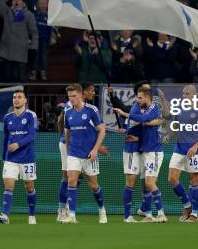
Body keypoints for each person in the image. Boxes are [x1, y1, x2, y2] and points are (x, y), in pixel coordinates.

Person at [116, 88, 166, 222]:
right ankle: (130, 216)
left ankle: (154, 213)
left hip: (148, 150)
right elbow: (133, 130)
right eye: (137, 98)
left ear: (147, 98)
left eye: (139, 98)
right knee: (133, 182)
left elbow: (146, 119)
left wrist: (125, 114)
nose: (137, 100)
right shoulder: (135, 108)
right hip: (133, 149)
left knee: (148, 183)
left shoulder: (152, 108)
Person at [60, 84, 107, 224]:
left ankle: (102, 210)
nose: (72, 98)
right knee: (72, 181)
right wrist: (68, 152)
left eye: (74, 95)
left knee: (93, 185)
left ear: (80, 95)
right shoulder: (68, 113)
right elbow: (67, 133)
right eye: (69, 96)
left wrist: (95, 150)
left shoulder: (92, 110)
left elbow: (102, 131)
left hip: (89, 154)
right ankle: (72, 216)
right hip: (74, 153)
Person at [166, 85, 198, 222]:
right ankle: (187, 205)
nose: (185, 96)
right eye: (183, 93)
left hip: (195, 150)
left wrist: (196, 146)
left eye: (187, 93)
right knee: (172, 179)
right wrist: (169, 135)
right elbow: (176, 127)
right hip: (179, 148)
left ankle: (195, 214)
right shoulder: (179, 110)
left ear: (195, 95)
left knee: (194, 181)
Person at [0, 89, 38, 225]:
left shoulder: (31, 116)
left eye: (20, 97)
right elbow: (6, 138)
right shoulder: (7, 117)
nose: (16, 99)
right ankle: (5, 215)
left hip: (27, 157)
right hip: (11, 158)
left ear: (25, 100)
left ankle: (32, 215)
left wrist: (18, 144)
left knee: (29, 187)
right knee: (8, 186)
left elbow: (32, 136)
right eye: (14, 97)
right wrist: (4, 155)